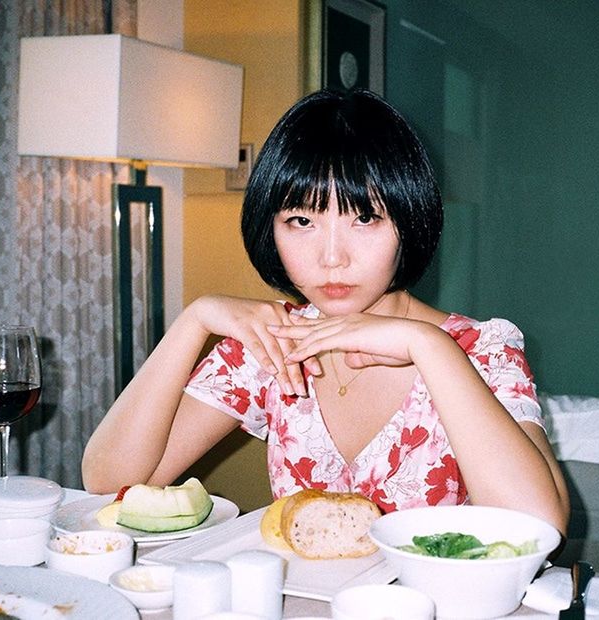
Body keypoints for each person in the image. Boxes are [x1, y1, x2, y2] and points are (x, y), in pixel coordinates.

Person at [82, 88, 569, 534]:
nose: (332, 257)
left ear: (409, 219)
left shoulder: (482, 350)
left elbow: (537, 528)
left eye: (365, 217)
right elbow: (109, 482)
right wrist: (194, 321)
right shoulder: (272, 345)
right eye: (301, 220)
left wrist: (428, 346)